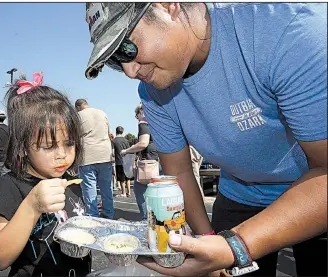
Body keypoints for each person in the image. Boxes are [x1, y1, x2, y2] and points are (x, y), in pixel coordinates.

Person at [83, 3, 327, 277]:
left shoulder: (286, 34)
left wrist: (233, 246)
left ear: (168, 6)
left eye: (127, 47)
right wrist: (207, 240)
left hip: (314, 191)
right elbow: (180, 173)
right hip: (239, 196)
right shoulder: (152, 92)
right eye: (116, 60)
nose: (129, 71)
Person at [0, 72, 91, 277]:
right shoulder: (11, 185)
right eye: (48, 146)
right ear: (24, 146)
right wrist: (32, 205)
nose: (62, 154)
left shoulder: (70, 180)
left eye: (69, 143)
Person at [75, 99, 114, 219]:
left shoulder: (77, 116)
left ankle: (93, 215)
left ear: (77, 107)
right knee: (107, 188)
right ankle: (109, 214)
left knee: (89, 188)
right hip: (104, 155)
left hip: (87, 155)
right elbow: (109, 134)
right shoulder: (102, 113)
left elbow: (74, 136)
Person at [120, 103, 158, 220]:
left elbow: (143, 143)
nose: (137, 119)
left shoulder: (143, 123)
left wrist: (126, 150)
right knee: (156, 192)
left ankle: (146, 219)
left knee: (139, 190)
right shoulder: (157, 123)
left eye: (137, 116)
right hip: (159, 160)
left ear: (140, 112)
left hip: (148, 163)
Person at [112, 126, 131, 197]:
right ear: (122, 131)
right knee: (127, 178)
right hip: (127, 161)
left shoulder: (113, 141)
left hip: (119, 161)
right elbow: (129, 150)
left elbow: (113, 152)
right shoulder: (126, 140)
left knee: (121, 179)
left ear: (116, 131)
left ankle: (123, 193)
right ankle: (129, 192)